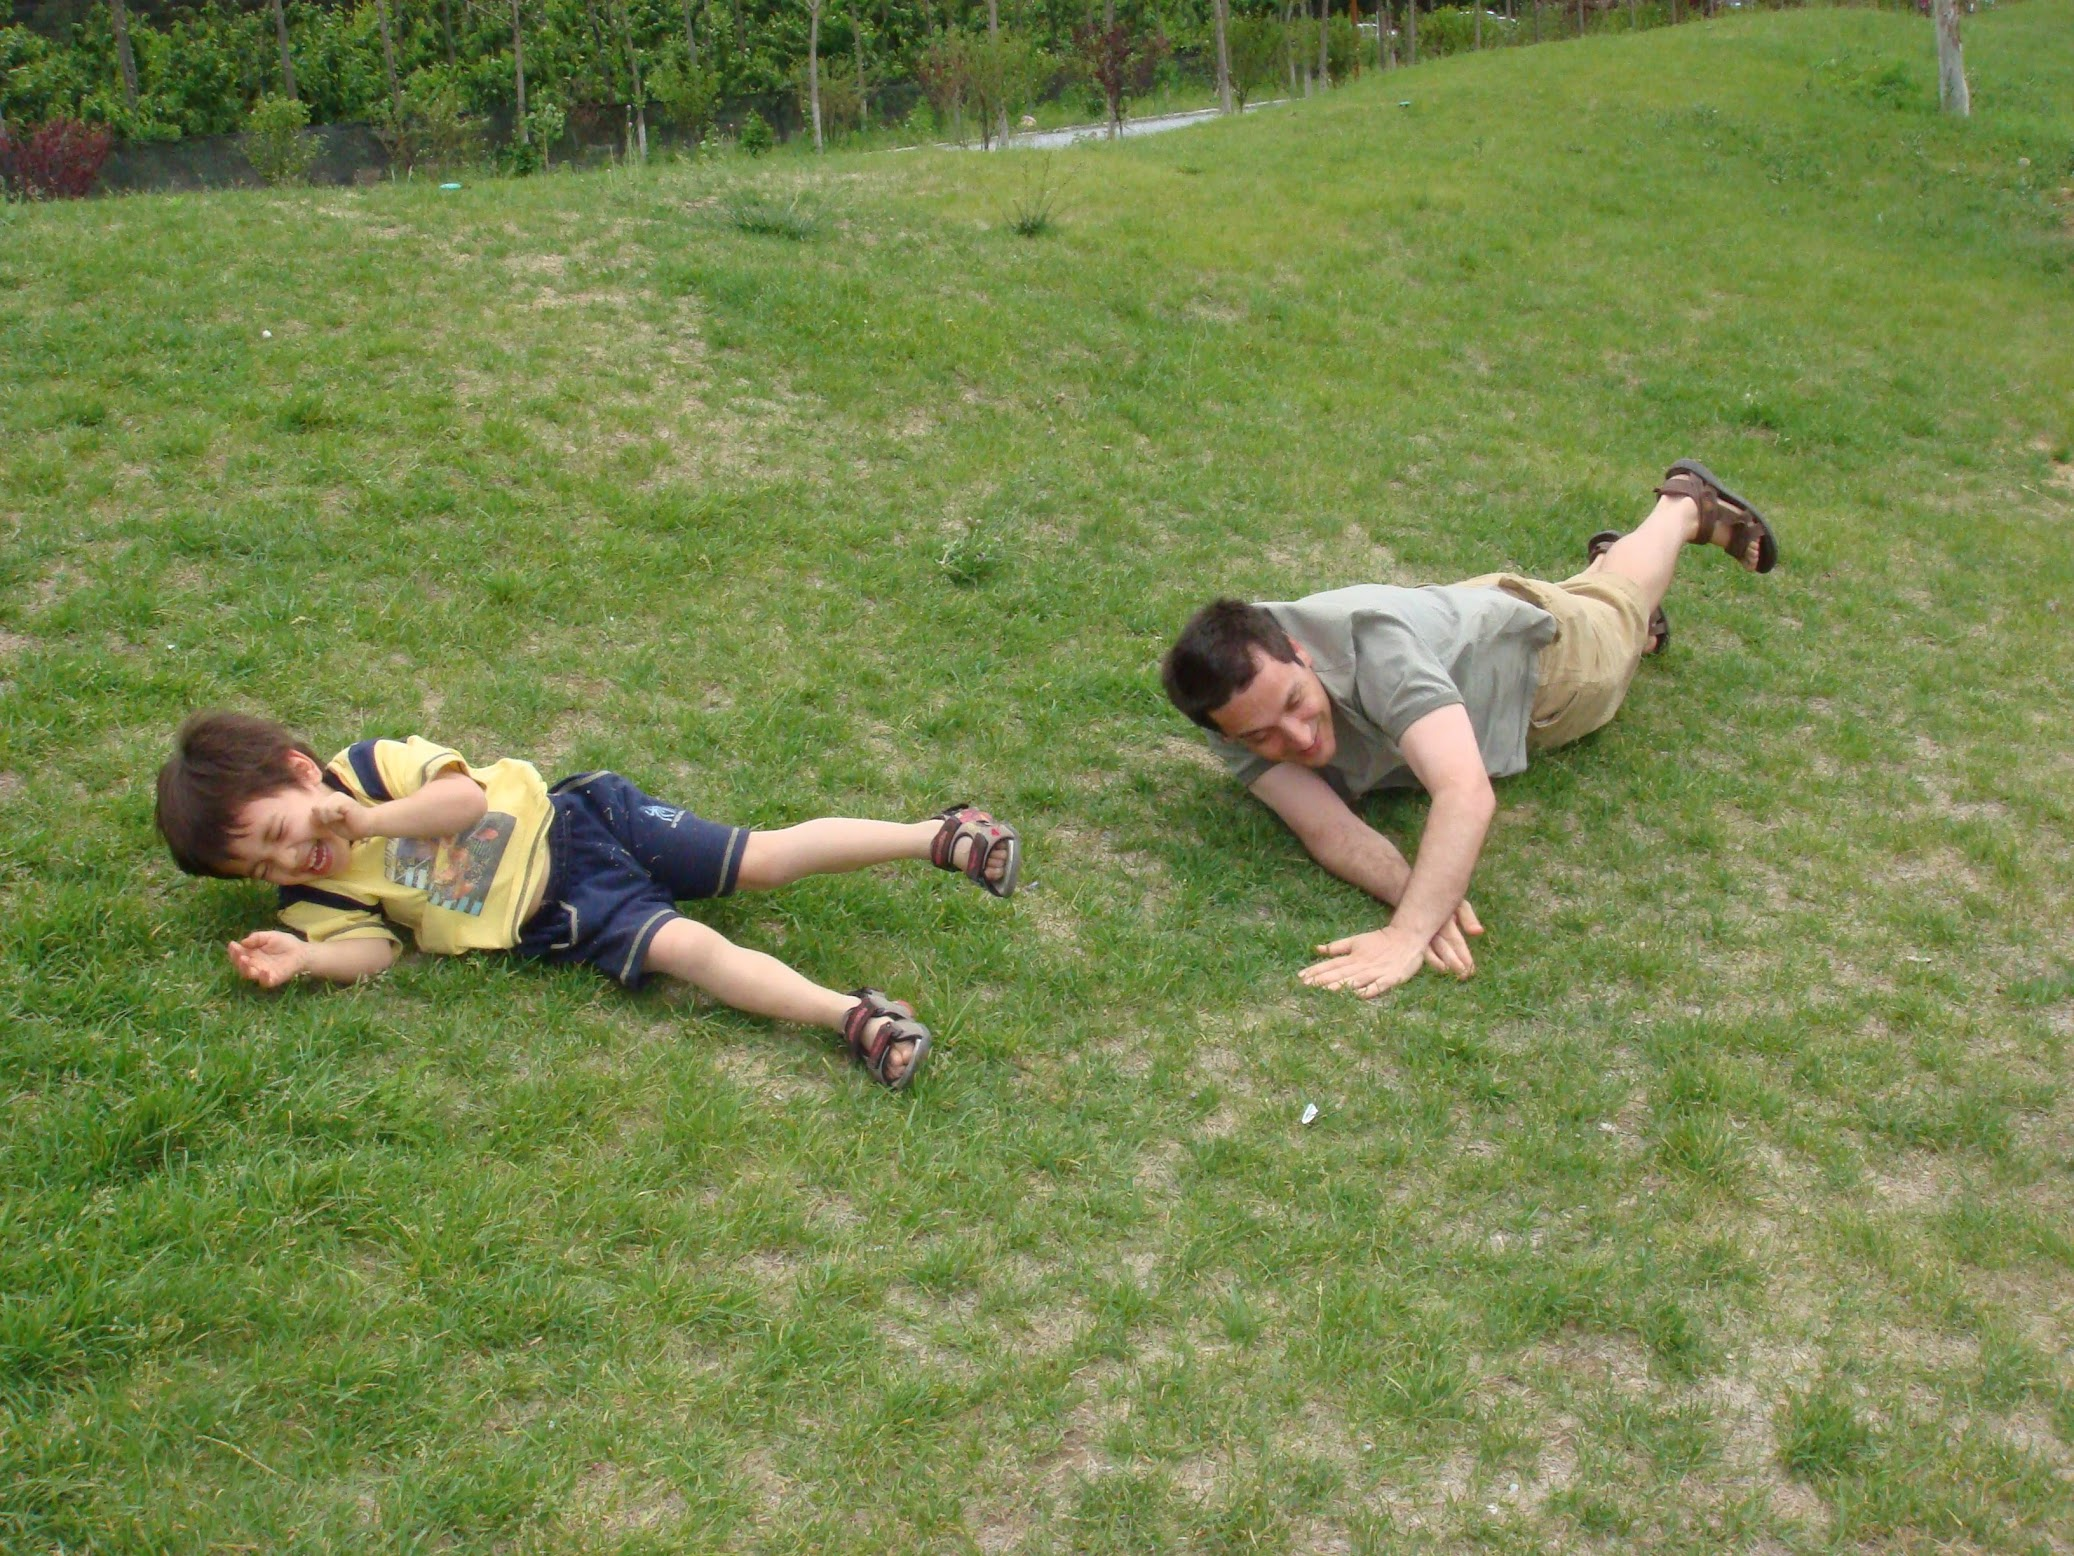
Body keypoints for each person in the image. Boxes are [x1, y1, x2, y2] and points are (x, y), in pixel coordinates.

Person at [1160, 460, 1778, 1002]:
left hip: (1541, 665)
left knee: (1618, 613)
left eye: (1296, 702)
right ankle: (1612, 577)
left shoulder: (1375, 651)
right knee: (1607, 599)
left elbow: (1465, 793)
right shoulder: (1229, 703)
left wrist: (1407, 935)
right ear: (1227, 734)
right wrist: (1420, 895)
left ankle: (1682, 505)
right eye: (1262, 736)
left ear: (1298, 650)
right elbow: (1330, 829)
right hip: (1461, 627)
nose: (1296, 739)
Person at [153, 713, 1022, 1089]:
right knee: (692, 951)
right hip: (563, 913)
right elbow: (378, 950)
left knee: (760, 859)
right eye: (259, 868)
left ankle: (939, 835)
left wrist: (372, 820)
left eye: (278, 830)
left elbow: (461, 802)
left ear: (300, 772)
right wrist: (310, 957)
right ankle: (855, 1017)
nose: (286, 858)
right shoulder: (310, 894)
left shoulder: (371, 768)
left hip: (583, 819)